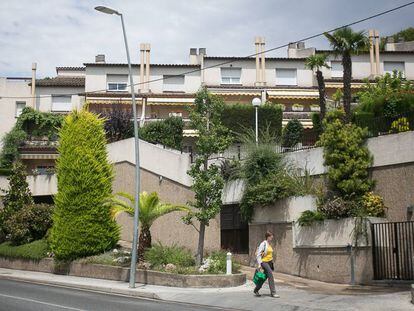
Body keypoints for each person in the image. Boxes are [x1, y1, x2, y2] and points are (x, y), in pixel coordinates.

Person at [254, 230, 279, 298]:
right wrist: (259, 264)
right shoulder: (263, 244)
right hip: (264, 262)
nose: (272, 238)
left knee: (263, 278)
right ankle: (273, 293)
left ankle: (256, 290)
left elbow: (269, 254)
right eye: (271, 237)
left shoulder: (269, 244)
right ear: (268, 237)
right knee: (270, 275)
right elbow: (258, 254)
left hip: (270, 263)